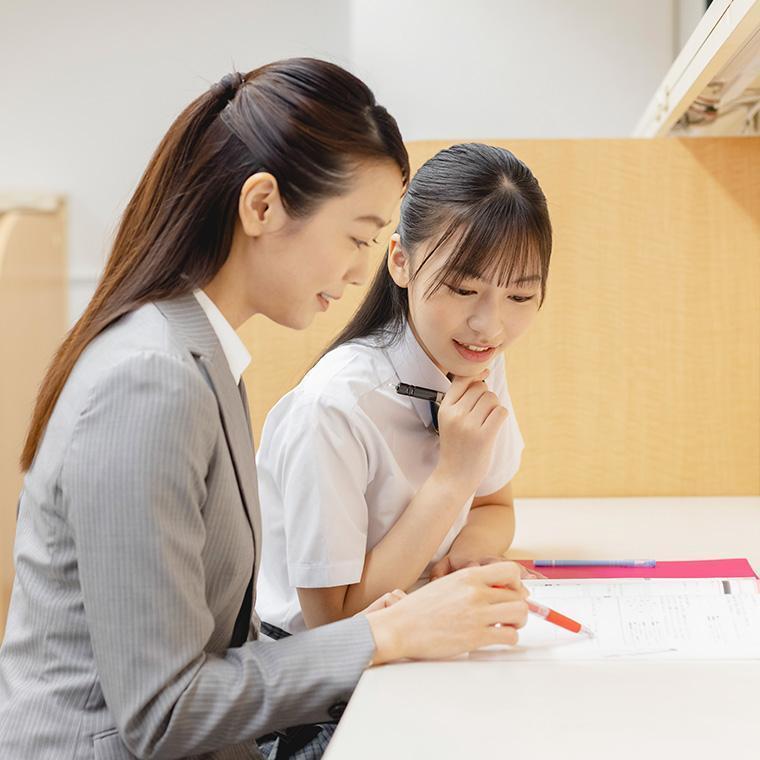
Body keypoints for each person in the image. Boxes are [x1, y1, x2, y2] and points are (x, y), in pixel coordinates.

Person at [0, 60, 528, 760]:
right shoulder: (150, 380)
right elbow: (165, 713)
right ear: (262, 207)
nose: (357, 272)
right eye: (357, 236)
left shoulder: (197, 352)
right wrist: (389, 633)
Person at [256, 142, 552, 635]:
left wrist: (467, 558)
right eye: (463, 289)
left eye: (520, 295)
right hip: (325, 678)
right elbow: (334, 623)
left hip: (420, 633)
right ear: (401, 261)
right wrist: (452, 479)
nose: (490, 326)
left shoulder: (471, 357)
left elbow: (494, 506)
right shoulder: (334, 407)